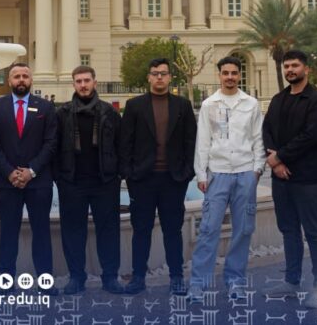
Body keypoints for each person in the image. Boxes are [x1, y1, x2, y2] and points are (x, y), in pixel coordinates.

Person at [188, 56, 265, 302]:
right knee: (209, 229)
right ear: (219, 75)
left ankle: (235, 283)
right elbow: (203, 141)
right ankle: (198, 285)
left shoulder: (251, 103)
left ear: (239, 75)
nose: (230, 77)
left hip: (245, 172)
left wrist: (257, 169)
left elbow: (258, 138)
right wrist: (201, 173)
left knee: (243, 230)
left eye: (234, 73)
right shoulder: (209, 104)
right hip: (218, 173)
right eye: (225, 73)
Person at [119, 58, 197, 296]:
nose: (159, 77)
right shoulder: (134, 106)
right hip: (142, 180)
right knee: (141, 230)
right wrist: (129, 174)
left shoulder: (183, 106)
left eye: (163, 73)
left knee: (172, 231)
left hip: (173, 180)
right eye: (155, 73)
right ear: (149, 77)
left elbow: (191, 141)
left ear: (170, 77)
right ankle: (138, 278)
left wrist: (187, 173)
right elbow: (125, 142)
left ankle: (176, 277)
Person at [261, 50, 317, 307]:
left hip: (309, 179)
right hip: (281, 179)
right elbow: (266, 130)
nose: (290, 70)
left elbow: (311, 136)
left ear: (306, 69)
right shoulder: (278, 99)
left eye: (295, 65)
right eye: (287, 66)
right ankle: (291, 281)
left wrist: (280, 157)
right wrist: (276, 162)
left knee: (315, 233)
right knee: (289, 231)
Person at [54, 65, 124, 295]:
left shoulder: (109, 112)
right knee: (73, 232)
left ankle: (110, 277)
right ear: (73, 84)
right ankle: (76, 277)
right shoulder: (62, 113)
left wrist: (117, 175)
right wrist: (60, 178)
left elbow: (121, 145)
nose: (83, 85)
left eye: (86, 80)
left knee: (109, 231)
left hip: (105, 182)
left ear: (94, 82)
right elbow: (54, 148)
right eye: (79, 81)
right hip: (72, 182)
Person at [0, 62, 58, 284]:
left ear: (31, 80)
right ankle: (6, 280)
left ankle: (45, 280)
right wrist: (10, 172)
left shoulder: (45, 107)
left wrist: (32, 171)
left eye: (25, 76)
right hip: (6, 182)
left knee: (41, 232)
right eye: (16, 76)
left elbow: (51, 143)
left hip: (39, 181)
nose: (21, 80)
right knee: (8, 233)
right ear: (9, 81)